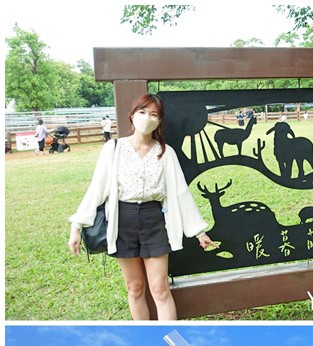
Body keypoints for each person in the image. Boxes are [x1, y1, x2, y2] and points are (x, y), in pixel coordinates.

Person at [67, 93, 213, 320]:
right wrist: (77, 226)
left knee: (160, 289)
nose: (147, 118)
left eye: (153, 114)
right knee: (135, 288)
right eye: (142, 112)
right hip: (122, 221)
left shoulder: (165, 152)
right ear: (132, 116)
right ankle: (145, 337)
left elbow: (180, 192)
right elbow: (97, 188)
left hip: (154, 219)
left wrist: (198, 231)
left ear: (159, 121)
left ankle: (168, 341)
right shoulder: (114, 148)